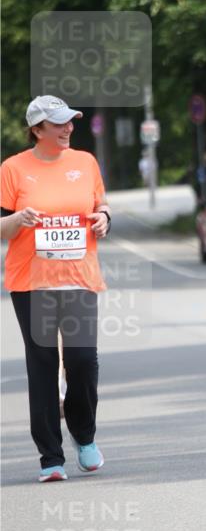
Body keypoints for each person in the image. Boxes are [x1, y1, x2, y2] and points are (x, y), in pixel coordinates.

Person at [1, 96, 111, 482]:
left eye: (71, 122)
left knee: (82, 361)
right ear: (37, 129)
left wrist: (104, 218)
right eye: (59, 123)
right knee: (43, 364)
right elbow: (1, 227)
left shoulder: (85, 163)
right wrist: (18, 219)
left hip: (79, 276)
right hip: (31, 281)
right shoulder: (13, 169)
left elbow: (102, 205)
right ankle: (50, 456)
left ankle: (84, 436)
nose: (68, 129)